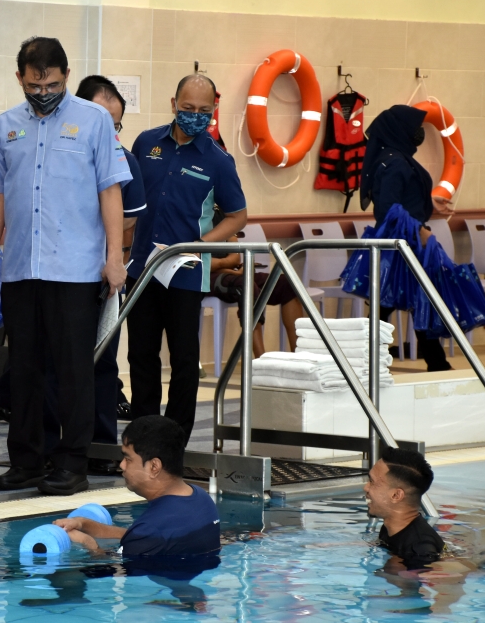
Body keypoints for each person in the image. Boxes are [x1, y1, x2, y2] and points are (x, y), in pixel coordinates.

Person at [0, 37, 132, 496]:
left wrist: (114, 258)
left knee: (73, 371)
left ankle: (72, 461)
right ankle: (27, 459)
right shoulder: (6, 125)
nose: (41, 91)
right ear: (20, 79)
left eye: (49, 83)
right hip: (21, 268)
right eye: (32, 84)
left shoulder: (93, 121)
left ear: (66, 76)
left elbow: (111, 191)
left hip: (75, 269)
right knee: (23, 368)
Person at [127, 75, 247, 441]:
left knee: (183, 360)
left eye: (204, 111)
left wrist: (199, 243)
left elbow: (238, 215)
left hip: (185, 273)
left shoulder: (218, 160)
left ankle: (176, 438)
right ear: (174, 103)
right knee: (140, 355)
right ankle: (142, 437)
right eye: (188, 108)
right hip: (143, 270)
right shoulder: (146, 143)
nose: (195, 116)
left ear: (213, 111)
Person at [40, 75, 145, 476]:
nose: (110, 132)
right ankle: (51, 447)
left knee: (99, 363)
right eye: (103, 121)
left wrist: (109, 260)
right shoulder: (51, 149)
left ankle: (100, 446)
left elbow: (130, 225)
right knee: (50, 364)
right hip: (53, 274)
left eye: (116, 125)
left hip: (101, 277)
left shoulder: (123, 160)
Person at [359, 105, 452, 372]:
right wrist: (420, 231)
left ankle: (434, 363)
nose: (418, 133)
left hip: (404, 242)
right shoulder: (393, 162)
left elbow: (400, 199)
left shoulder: (396, 157)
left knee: (401, 303)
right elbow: (388, 208)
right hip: (401, 245)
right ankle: (435, 364)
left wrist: (429, 202)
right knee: (407, 302)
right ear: (400, 130)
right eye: (415, 128)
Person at [54, 415, 221, 556]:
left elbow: (113, 572)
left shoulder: (150, 529)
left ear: (154, 467)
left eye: (128, 459)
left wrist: (88, 544)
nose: (122, 465)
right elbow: (141, 537)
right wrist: (83, 523)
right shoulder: (202, 498)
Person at [206, 207, 303, 356]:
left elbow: (235, 257)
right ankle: (260, 359)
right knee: (246, 285)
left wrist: (227, 266)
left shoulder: (220, 213)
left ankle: (300, 355)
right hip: (202, 277)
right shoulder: (189, 214)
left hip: (230, 272)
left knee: (286, 283)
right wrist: (229, 269)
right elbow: (199, 262)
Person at [364, 447, 444, 569]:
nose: (366, 487)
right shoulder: (392, 528)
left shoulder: (420, 550)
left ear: (396, 495)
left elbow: (431, 581)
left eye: (372, 482)